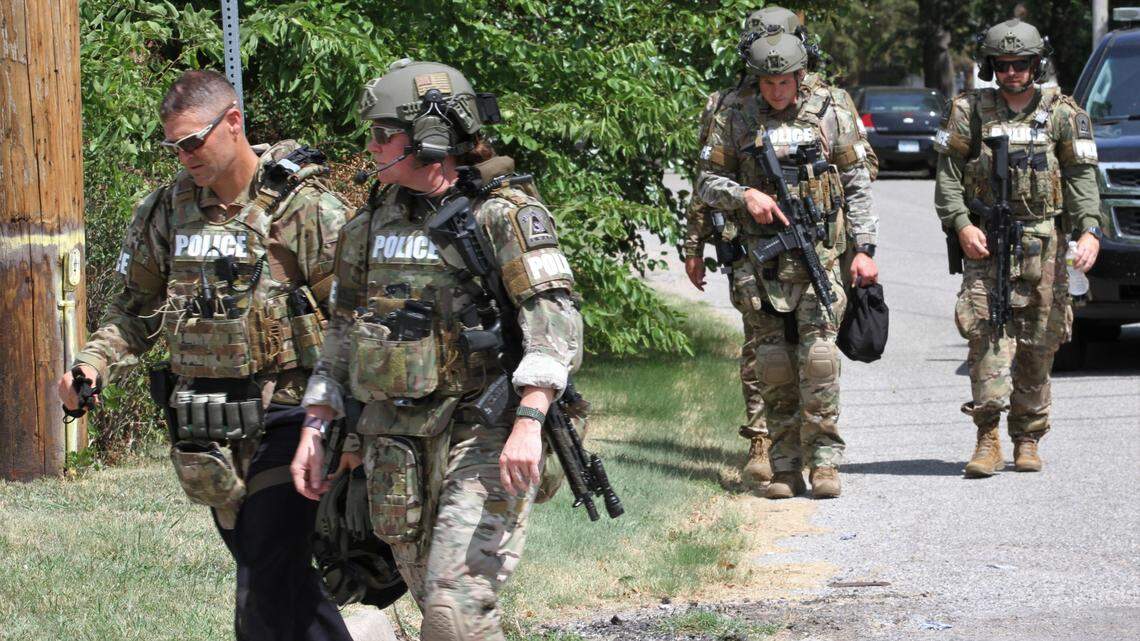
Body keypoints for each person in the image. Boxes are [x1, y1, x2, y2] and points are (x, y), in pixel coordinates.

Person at [56, 70, 355, 640]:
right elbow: (134, 312)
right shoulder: (167, 212)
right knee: (280, 582)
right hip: (210, 431)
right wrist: (91, 364)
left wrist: (353, 423)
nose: (184, 155)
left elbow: (354, 318)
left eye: (193, 141)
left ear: (234, 122)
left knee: (264, 577)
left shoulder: (302, 206)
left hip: (292, 417)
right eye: (174, 146)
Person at [291, 60, 583, 641]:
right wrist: (319, 424)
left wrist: (529, 418)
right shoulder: (368, 226)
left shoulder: (501, 216)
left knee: (454, 610)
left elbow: (556, 319)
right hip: (393, 441)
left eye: (382, 133)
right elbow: (343, 332)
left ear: (430, 137)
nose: (370, 146)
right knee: (437, 606)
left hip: (482, 428)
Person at [683, 5, 877, 489]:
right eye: (766, 83)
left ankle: (826, 459)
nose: (774, 91)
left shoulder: (832, 106)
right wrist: (742, 196)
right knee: (771, 364)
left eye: (783, 82)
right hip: (758, 259)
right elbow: (706, 180)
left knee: (819, 359)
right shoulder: (733, 110)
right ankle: (785, 464)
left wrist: (866, 246)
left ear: (800, 72)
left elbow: (857, 180)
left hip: (820, 253)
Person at [934, 18, 1103, 477]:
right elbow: (948, 177)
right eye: (1003, 65)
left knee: (1040, 342)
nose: (1012, 72)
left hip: (1045, 243)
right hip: (987, 244)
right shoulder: (969, 110)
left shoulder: (1064, 112)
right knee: (987, 336)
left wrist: (1089, 230)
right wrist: (962, 225)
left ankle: (1027, 436)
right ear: (991, 66)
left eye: (1021, 64)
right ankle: (987, 438)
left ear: (1036, 64)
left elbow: (1081, 177)